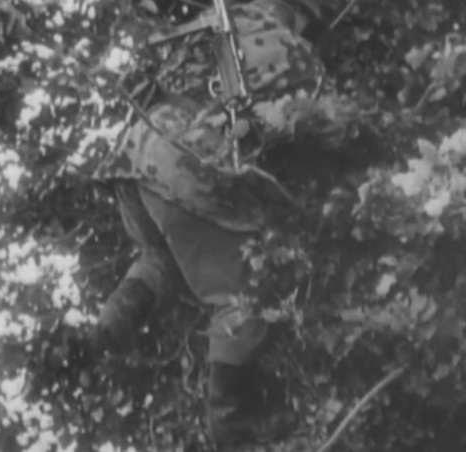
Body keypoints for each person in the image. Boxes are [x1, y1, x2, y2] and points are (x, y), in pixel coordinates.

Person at [91, 0, 350, 448]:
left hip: (135, 163)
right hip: (185, 171)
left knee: (164, 254)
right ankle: (230, 423)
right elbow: (336, 127)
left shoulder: (205, 27)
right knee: (246, 289)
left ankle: (112, 322)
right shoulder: (289, 49)